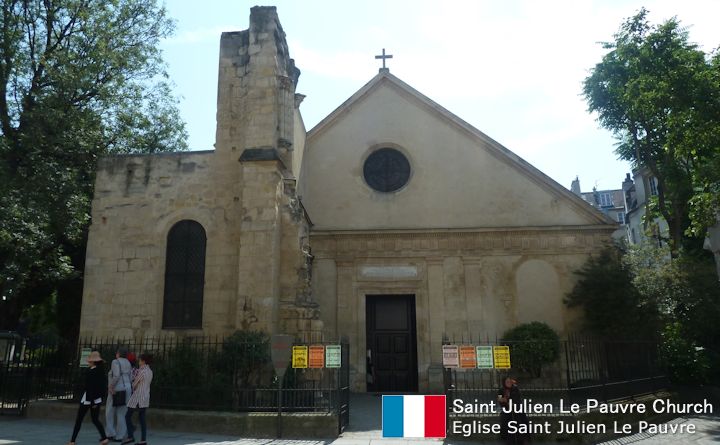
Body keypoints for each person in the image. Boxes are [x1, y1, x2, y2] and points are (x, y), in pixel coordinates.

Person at [67, 350, 109, 445]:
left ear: (93, 362)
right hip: (96, 399)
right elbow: (101, 387)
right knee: (95, 419)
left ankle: (72, 440)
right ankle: (104, 438)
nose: (88, 362)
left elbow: (91, 387)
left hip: (89, 399)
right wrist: (96, 400)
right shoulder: (101, 371)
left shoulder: (91, 372)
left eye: (90, 361)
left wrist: (92, 401)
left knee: (79, 420)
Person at [123, 353, 153, 445]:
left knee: (127, 416)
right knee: (142, 418)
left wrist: (133, 380)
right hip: (145, 396)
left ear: (143, 361)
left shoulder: (142, 371)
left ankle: (130, 436)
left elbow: (135, 383)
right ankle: (143, 439)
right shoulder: (150, 371)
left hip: (138, 396)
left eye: (140, 360)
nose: (138, 362)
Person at [106, 347, 133, 442]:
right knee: (122, 412)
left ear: (118, 354)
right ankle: (120, 435)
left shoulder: (115, 362)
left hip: (117, 387)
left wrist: (111, 387)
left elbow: (116, 375)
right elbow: (131, 377)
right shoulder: (128, 363)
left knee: (110, 410)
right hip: (127, 387)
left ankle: (110, 433)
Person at [497, 376, 530, 445]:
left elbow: (516, 399)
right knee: (506, 421)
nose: (509, 383)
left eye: (510, 382)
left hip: (517, 409)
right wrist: (502, 400)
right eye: (507, 382)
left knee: (520, 421)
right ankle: (508, 439)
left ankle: (522, 439)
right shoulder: (501, 390)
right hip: (507, 409)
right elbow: (500, 398)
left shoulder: (515, 389)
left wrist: (508, 401)